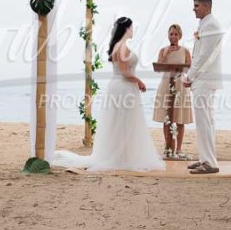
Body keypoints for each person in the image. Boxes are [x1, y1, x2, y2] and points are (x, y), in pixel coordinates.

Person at [53, 17, 165, 172]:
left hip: (121, 86)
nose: (133, 30)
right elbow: (124, 71)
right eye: (131, 27)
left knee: (123, 123)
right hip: (123, 87)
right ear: (126, 29)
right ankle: (122, 157)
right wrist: (139, 81)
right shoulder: (121, 47)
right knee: (123, 123)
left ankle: (124, 155)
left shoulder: (119, 45)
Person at [183, 0, 223, 174]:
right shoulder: (206, 24)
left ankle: (209, 163)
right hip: (204, 79)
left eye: (197, 5)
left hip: (204, 79)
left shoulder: (210, 25)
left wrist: (190, 76)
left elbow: (204, 55)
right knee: (206, 121)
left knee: (204, 122)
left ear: (207, 6)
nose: (194, 9)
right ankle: (205, 159)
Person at [152, 24, 193, 159]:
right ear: (168, 35)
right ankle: (168, 148)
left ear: (180, 36)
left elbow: (190, 68)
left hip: (180, 85)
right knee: (167, 118)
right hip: (166, 84)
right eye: (171, 34)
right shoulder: (163, 50)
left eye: (176, 34)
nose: (173, 36)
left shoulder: (185, 51)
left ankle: (179, 149)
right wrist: (167, 54)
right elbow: (159, 68)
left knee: (180, 118)